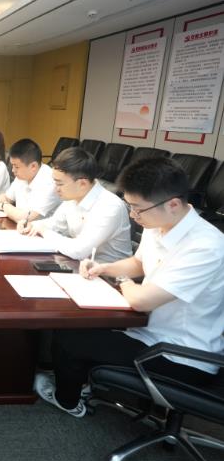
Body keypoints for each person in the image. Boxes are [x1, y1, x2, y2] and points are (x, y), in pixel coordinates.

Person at [34, 157, 224, 418]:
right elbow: (139, 262)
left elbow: (142, 301)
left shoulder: (206, 246)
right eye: (130, 207)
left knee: (70, 340)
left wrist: (122, 281)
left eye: (138, 209)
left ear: (173, 204)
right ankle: (82, 382)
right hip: (149, 330)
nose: (133, 216)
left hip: (180, 354)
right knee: (77, 324)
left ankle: (68, 401)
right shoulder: (159, 223)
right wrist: (104, 268)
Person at [19, 147, 131, 263]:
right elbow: (54, 224)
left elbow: (79, 251)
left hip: (107, 271)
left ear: (82, 183)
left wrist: (44, 231)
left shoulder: (109, 206)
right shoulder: (72, 198)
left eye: (59, 184)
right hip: (80, 265)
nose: (55, 189)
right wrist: (31, 225)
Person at [0, 138, 60, 222]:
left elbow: (26, 218)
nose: (13, 170)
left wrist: (4, 206)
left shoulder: (50, 182)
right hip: (22, 228)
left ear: (33, 166)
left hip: (39, 230)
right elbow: (7, 198)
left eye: (16, 167)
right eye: (12, 165)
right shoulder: (23, 175)